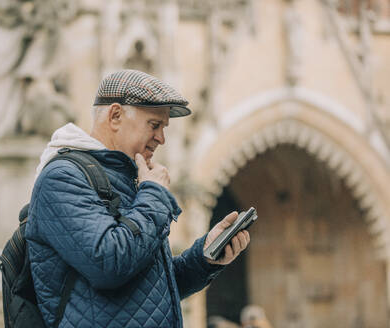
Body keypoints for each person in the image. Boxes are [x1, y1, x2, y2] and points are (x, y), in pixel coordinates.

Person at [25, 69, 250, 327]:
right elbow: (108, 264)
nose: (161, 139)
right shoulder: (62, 178)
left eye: (164, 128)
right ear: (116, 116)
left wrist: (204, 258)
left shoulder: (131, 180)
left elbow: (150, 292)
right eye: (154, 125)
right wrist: (154, 194)